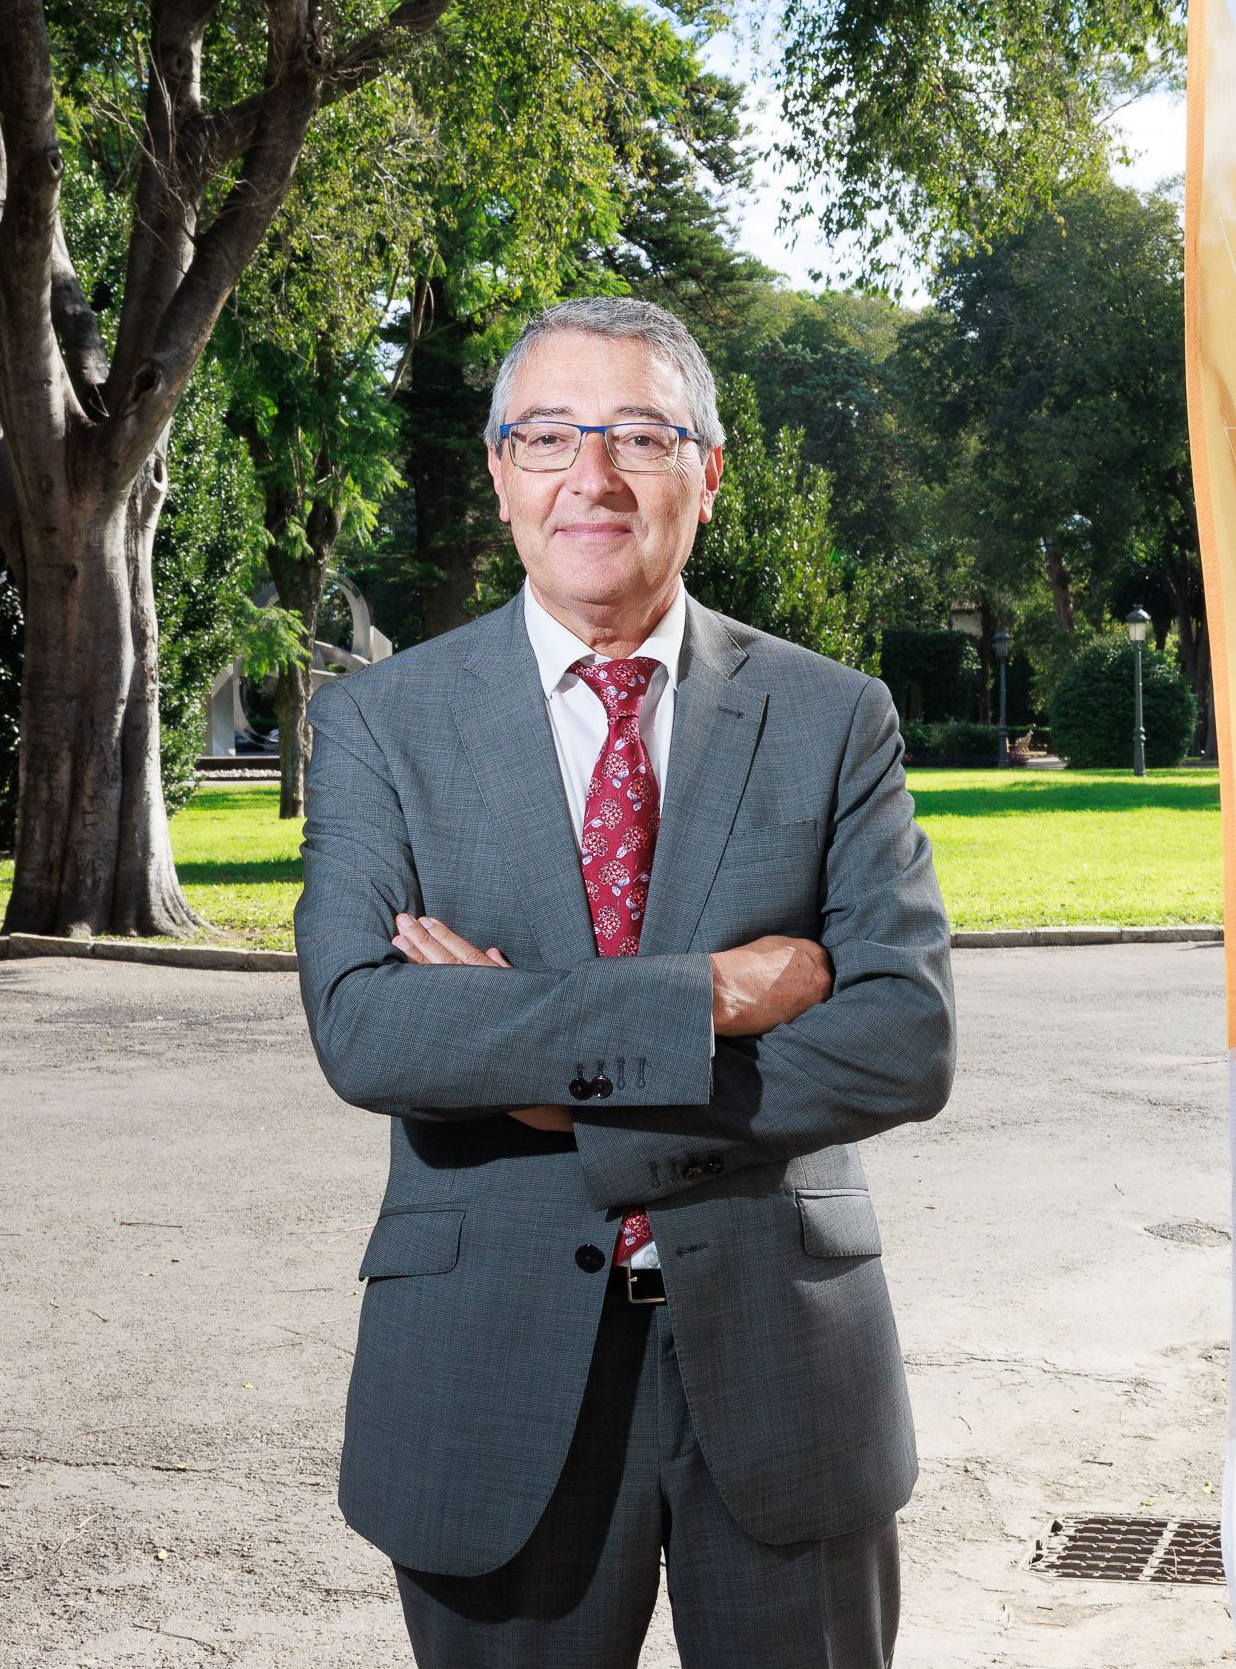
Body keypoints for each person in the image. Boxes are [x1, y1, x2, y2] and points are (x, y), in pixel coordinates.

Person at [293, 295, 955, 1668]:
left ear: (706, 477)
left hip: (785, 1369)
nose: (590, 477)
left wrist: (550, 1091)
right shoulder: (380, 723)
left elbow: (901, 1039)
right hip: (490, 1369)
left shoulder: (834, 719)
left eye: (639, 435)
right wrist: (707, 998)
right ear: (500, 475)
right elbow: (369, 1027)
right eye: (547, 435)